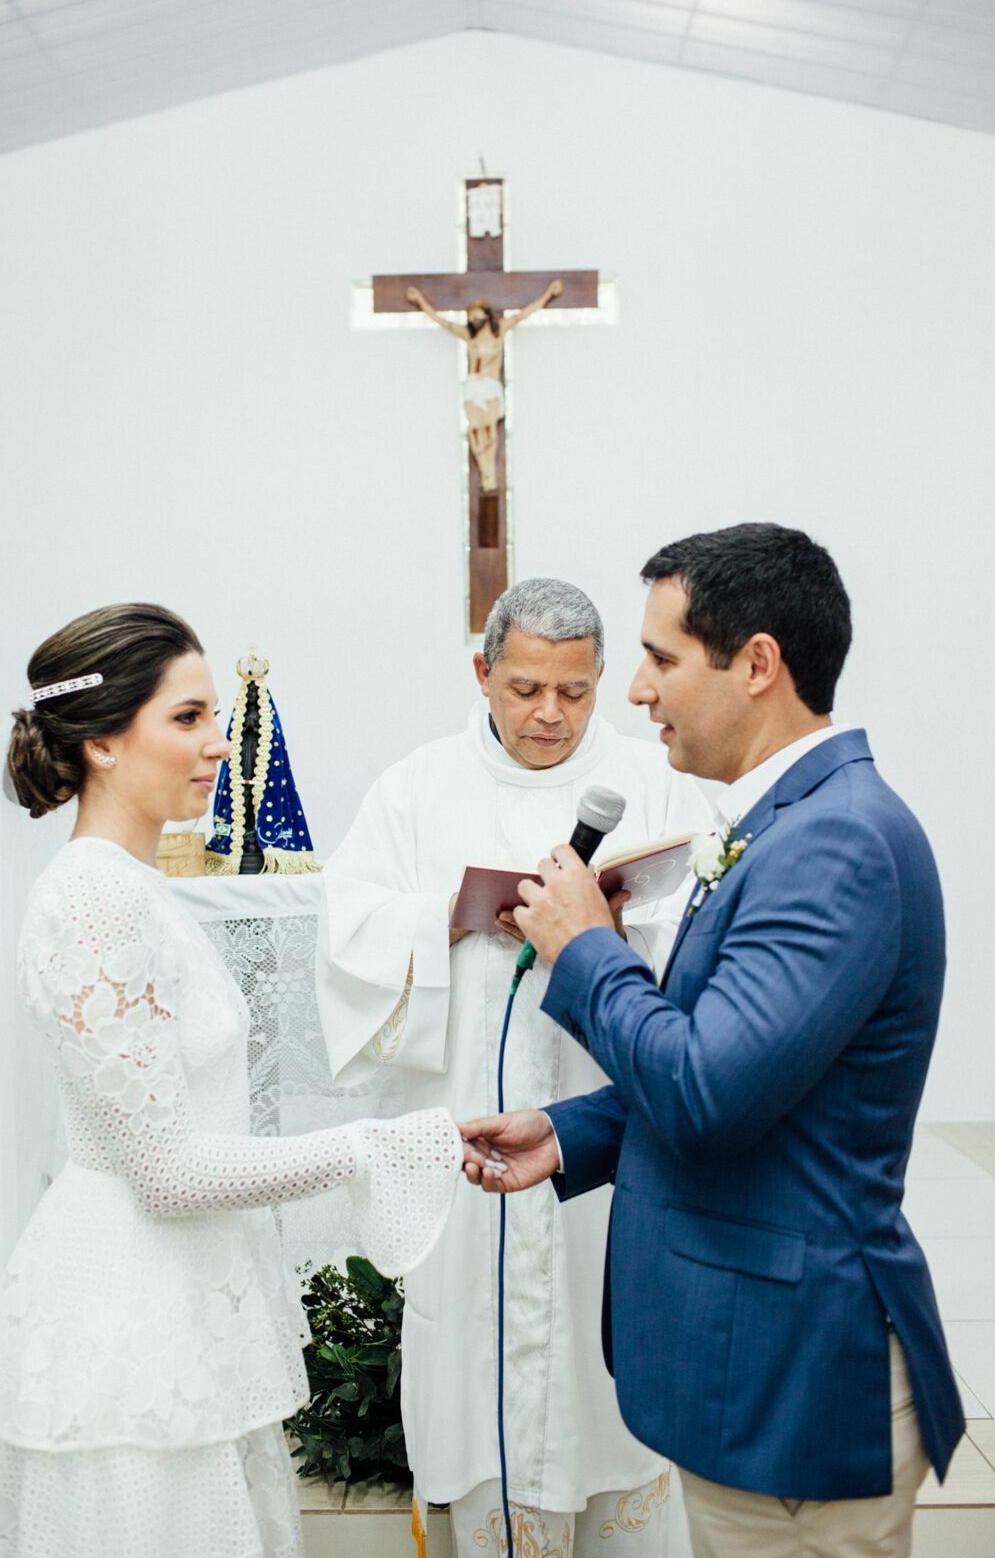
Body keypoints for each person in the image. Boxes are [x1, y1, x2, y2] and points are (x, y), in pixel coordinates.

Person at [462, 525, 965, 1558]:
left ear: (756, 664)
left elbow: (707, 1092)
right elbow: (748, 1065)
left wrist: (584, 951)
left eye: (658, 658)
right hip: (752, 1365)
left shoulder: (833, 841)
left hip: (794, 1376)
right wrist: (570, 1135)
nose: (637, 692)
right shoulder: (785, 821)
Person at [0, 603, 462, 1558]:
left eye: (215, 718)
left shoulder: (136, 886)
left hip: (183, 1299)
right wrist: (366, 1147)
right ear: (103, 742)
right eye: (187, 719)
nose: (220, 746)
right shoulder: (97, 897)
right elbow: (168, 1173)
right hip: (133, 1323)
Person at [316, 578, 711, 1558]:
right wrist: (448, 917)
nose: (548, 713)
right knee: (474, 1369)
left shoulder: (652, 782)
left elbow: (702, 936)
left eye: (573, 691)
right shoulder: (415, 787)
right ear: (482, 671)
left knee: (597, 1375)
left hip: (599, 1143)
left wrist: (607, 930)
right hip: (470, 1142)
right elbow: (347, 933)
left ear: (600, 682)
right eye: (525, 686)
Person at [406, 280, 562, 490]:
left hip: (490, 386)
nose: (473, 318)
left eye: (476, 314)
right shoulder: (469, 336)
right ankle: (485, 472)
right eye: (471, 316)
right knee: (475, 430)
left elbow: (523, 314)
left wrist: (548, 295)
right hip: (473, 387)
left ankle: (491, 474)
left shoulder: (500, 332)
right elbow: (442, 321)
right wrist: (420, 301)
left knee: (489, 430)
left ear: (487, 315)